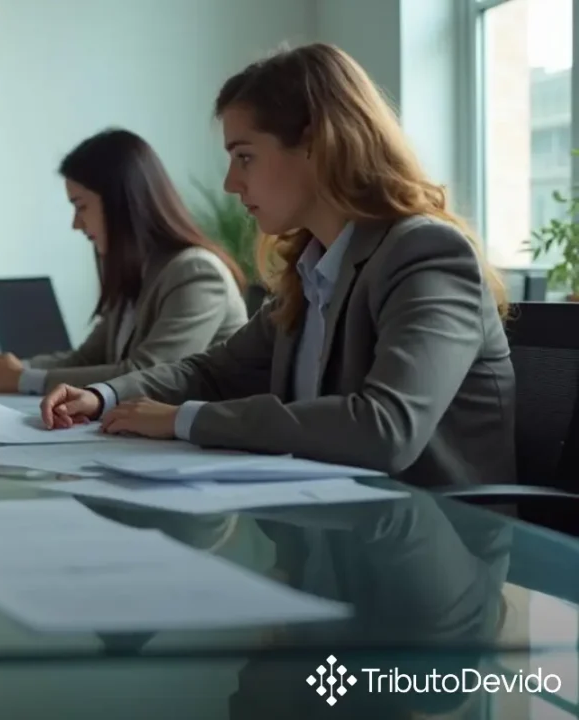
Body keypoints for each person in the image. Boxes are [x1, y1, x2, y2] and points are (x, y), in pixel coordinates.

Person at [39, 43, 517, 490]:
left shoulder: (425, 254)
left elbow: (385, 428)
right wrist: (104, 396)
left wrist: (185, 419)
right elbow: (213, 373)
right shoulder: (311, 271)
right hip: (327, 529)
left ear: (316, 143)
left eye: (244, 157)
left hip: (433, 548)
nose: (230, 183)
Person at [0, 128, 249, 395]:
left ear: (121, 202)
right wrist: (4, 368)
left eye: (81, 207)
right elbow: (84, 359)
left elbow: (148, 373)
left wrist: (21, 378)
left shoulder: (196, 273)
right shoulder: (139, 273)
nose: (76, 224)